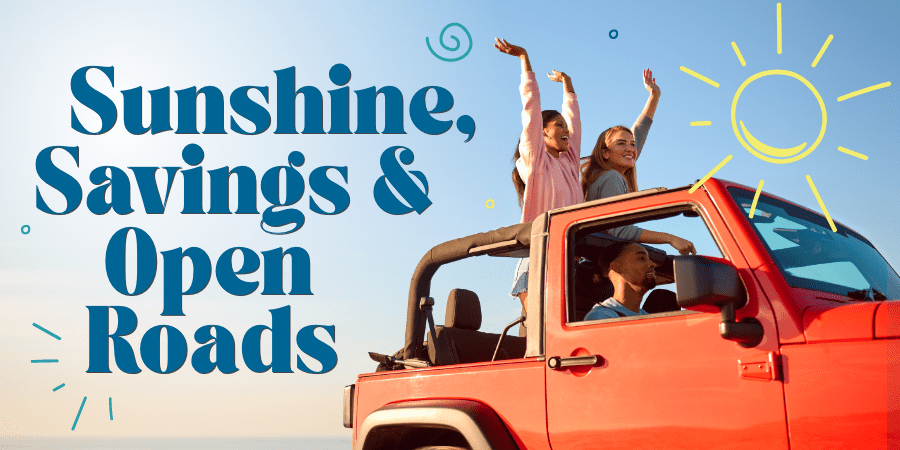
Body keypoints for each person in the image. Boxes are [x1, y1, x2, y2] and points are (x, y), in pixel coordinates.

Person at [495, 38, 583, 310]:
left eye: (564, 125)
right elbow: (531, 109)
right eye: (558, 126)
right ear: (543, 132)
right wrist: (524, 59)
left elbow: (575, 122)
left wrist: (568, 86)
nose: (566, 130)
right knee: (541, 325)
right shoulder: (535, 161)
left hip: (567, 255)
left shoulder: (570, 162)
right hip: (537, 257)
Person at [580, 71, 696, 256]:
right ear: (605, 153)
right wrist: (670, 238)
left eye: (632, 145)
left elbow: (639, 132)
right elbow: (620, 232)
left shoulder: (610, 174)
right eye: (621, 143)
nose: (630, 149)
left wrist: (654, 96)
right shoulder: (611, 177)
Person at [583, 242, 657, 320]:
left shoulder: (647, 316)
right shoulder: (600, 317)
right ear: (616, 267)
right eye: (641, 258)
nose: (653, 264)